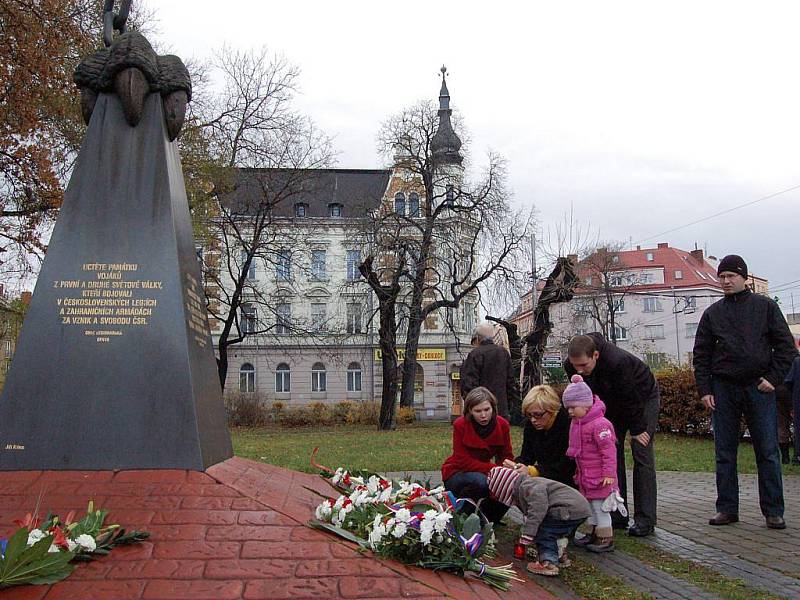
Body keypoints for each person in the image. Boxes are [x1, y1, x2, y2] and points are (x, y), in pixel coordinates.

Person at [693, 254, 797, 530]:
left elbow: (786, 347)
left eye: (731, 276)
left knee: (767, 450)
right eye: (722, 277)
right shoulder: (713, 314)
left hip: (759, 387)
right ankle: (726, 508)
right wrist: (705, 389)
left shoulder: (765, 308)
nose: (726, 281)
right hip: (724, 388)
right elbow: (701, 355)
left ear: (744, 278)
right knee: (724, 452)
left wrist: (773, 379)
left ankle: (773, 511)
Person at [564, 333, 659, 537]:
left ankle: (645, 519)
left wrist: (638, 428)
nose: (579, 370)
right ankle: (614, 514)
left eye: (584, 365)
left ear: (596, 355)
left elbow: (631, 397)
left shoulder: (618, 362)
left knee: (641, 452)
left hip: (641, 398)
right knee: (608, 454)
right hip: (609, 403)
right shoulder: (572, 365)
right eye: (575, 366)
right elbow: (583, 396)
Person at [487, 466, 590, 577]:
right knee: (555, 531)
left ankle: (548, 563)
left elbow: (537, 511)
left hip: (569, 508)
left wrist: (527, 534)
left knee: (545, 532)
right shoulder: (529, 483)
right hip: (576, 508)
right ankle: (559, 555)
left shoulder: (528, 486)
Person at [562, 374, 626, 553]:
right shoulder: (578, 424)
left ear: (586, 404)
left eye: (573, 407)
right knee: (590, 507)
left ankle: (606, 536)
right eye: (568, 408)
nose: (570, 412)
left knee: (601, 508)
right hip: (586, 476)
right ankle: (594, 531)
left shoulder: (600, 425)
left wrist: (609, 474)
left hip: (599, 477)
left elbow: (609, 452)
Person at [441, 387, 514, 524]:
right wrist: (495, 471)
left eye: (487, 410)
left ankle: (489, 519)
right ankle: (461, 516)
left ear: (493, 408)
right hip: (458, 472)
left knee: (511, 484)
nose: (483, 415)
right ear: (470, 411)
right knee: (481, 482)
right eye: (478, 411)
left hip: (485, 471)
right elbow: (462, 461)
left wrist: (506, 474)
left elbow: (506, 456)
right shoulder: (461, 425)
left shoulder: (502, 425)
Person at [504, 385, 575, 487]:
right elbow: (527, 456)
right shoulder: (531, 426)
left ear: (552, 410)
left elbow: (566, 466)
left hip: (568, 483)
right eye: (529, 415)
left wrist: (534, 471)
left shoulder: (568, 426)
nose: (533, 420)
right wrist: (516, 465)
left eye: (538, 415)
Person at [461, 322, 513, 420]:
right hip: (501, 410)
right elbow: (510, 383)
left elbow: (469, 385)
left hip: (480, 411)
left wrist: (471, 408)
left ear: (477, 338)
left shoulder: (475, 355)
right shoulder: (503, 353)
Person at [785, 355, 800, 466]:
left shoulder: (797, 362)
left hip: (798, 401)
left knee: (798, 429)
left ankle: (797, 456)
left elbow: (788, 382)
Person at [775, 383, 793, 464]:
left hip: (778, 388)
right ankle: (789, 456)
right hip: (789, 390)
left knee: (781, 425)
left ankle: (785, 457)